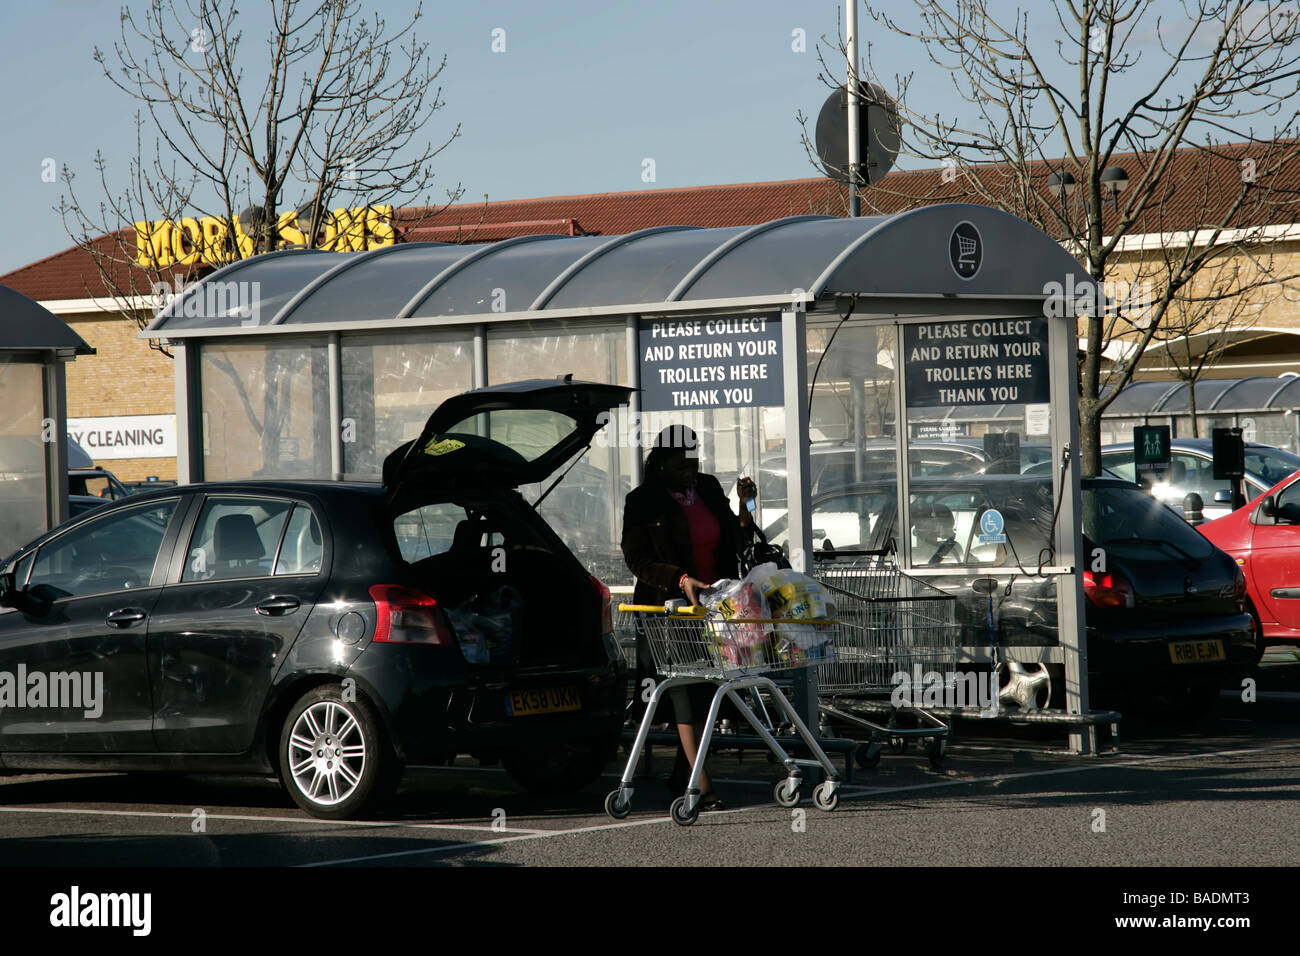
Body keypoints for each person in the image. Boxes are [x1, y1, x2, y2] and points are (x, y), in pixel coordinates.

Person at [621, 425, 756, 811]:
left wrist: (745, 504)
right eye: (682, 464)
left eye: (694, 461)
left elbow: (738, 537)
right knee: (682, 688)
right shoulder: (643, 501)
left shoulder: (709, 489)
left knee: (711, 691)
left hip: (715, 610)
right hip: (670, 612)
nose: (690, 471)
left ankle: (684, 772)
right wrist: (679, 580)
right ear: (660, 463)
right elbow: (637, 560)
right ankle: (700, 782)